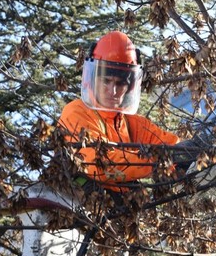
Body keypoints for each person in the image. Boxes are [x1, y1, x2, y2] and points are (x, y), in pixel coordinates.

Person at [59, 31, 180, 193]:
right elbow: (99, 164)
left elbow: (170, 145)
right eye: (106, 81)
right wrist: (157, 161)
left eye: (121, 83)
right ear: (94, 79)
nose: (113, 90)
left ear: (130, 87)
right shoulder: (76, 112)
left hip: (120, 210)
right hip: (81, 208)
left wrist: (189, 154)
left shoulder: (131, 123)